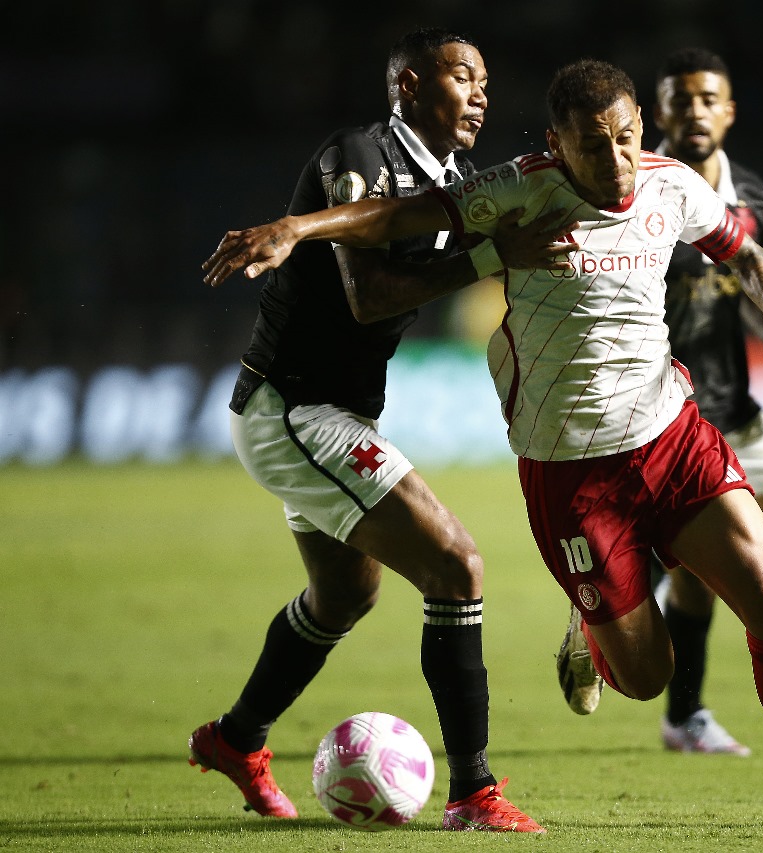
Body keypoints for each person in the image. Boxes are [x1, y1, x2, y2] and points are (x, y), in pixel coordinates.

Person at [202, 57, 763, 830]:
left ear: (641, 126)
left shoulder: (673, 183)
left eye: (623, 138)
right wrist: (295, 227)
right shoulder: (515, 188)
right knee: (645, 676)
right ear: (557, 141)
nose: (612, 160)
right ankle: (592, 632)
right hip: (571, 473)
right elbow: (390, 219)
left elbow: (745, 250)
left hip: (671, 435)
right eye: (590, 145)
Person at [189, 27, 572, 832]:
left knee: (343, 594)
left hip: (335, 411)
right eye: (462, 75)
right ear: (407, 85)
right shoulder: (356, 151)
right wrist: (485, 257)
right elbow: (368, 294)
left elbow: (451, 232)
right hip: (292, 409)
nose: (479, 93)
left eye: (486, 81)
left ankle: (236, 738)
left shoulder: (455, 184)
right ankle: (474, 793)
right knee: (456, 564)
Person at [639, 47, 763, 757]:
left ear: (728, 110)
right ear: (658, 112)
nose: (694, 111)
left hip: (736, 404)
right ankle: (684, 716)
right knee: (707, 565)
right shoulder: (634, 188)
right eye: (679, 99)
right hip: (665, 414)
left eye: (707, 98)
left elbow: (750, 288)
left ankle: (688, 566)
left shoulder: (753, 194)